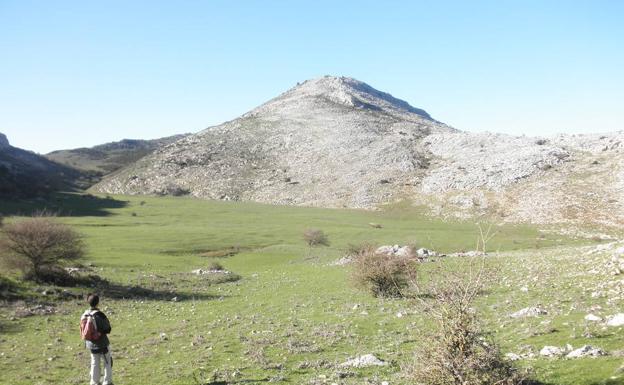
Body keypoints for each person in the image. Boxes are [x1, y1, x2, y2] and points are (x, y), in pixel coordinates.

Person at [81, 294, 113, 385]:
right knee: (107, 362)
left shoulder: (84, 314)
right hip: (102, 344)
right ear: (98, 303)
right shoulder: (100, 315)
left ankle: (94, 382)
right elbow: (108, 329)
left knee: (94, 362)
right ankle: (107, 382)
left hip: (90, 344)